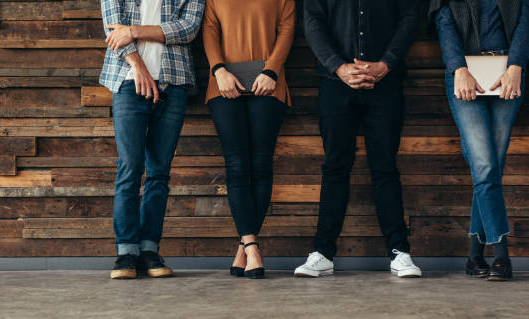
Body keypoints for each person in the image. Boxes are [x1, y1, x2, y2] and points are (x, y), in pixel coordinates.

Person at [296, 0, 423, 278]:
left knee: (385, 168)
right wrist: (338, 67)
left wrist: (387, 63)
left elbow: (410, 17)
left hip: (386, 85)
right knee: (335, 167)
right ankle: (323, 253)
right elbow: (313, 23)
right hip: (335, 85)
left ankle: (400, 252)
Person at [100, 0, 205, 279]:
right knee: (130, 168)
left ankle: (148, 250)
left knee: (159, 172)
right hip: (127, 82)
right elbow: (112, 29)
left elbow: (189, 28)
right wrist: (138, 66)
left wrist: (133, 31)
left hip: (174, 84)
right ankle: (126, 252)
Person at [429, 0, 528, 281]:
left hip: (508, 74)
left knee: (489, 169)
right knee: (485, 166)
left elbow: (525, 21)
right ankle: (501, 255)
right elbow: (444, 23)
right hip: (464, 74)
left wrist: (516, 66)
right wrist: (458, 69)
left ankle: (474, 258)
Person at [202, 0, 295, 279]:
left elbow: (287, 30)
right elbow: (208, 31)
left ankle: (246, 245)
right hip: (223, 84)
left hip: (268, 84)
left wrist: (271, 71)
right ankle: (252, 246)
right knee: (237, 165)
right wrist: (219, 70)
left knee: (261, 165)